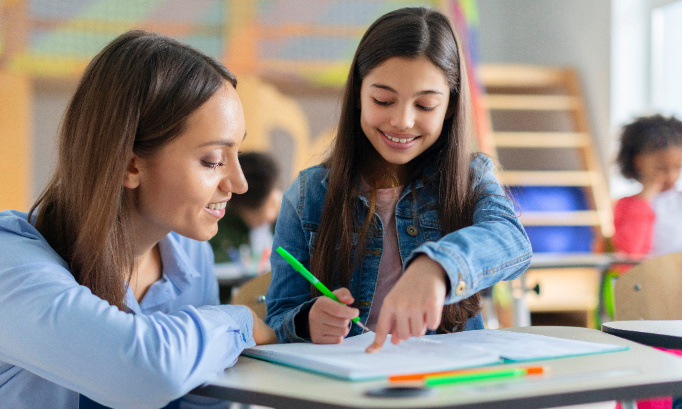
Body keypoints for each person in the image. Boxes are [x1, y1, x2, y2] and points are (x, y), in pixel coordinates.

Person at [0, 30, 276, 409]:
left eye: (237, 153)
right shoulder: (11, 263)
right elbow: (145, 370)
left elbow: (203, 399)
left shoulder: (188, 258)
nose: (239, 183)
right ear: (131, 164)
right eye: (213, 160)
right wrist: (242, 321)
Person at [264, 7, 532, 353]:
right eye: (383, 100)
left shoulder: (471, 177)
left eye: (425, 106)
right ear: (359, 95)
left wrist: (439, 266)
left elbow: (512, 240)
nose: (402, 121)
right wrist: (305, 321)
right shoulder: (308, 194)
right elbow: (277, 318)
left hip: (446, 383)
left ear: (450, 106)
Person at [613, 114, 682, 257]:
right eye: (661, 168)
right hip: (645, 277)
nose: (671, 176)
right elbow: (631, 252)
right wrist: (643, 201)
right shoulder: (626, 206)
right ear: (639, 163)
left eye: (677, 167)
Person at [210, 151, 283, 267]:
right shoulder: (219, 225)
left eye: (273, 204)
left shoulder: (292, 222)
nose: (269, 216)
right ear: (237, 208)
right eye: (254, 214)